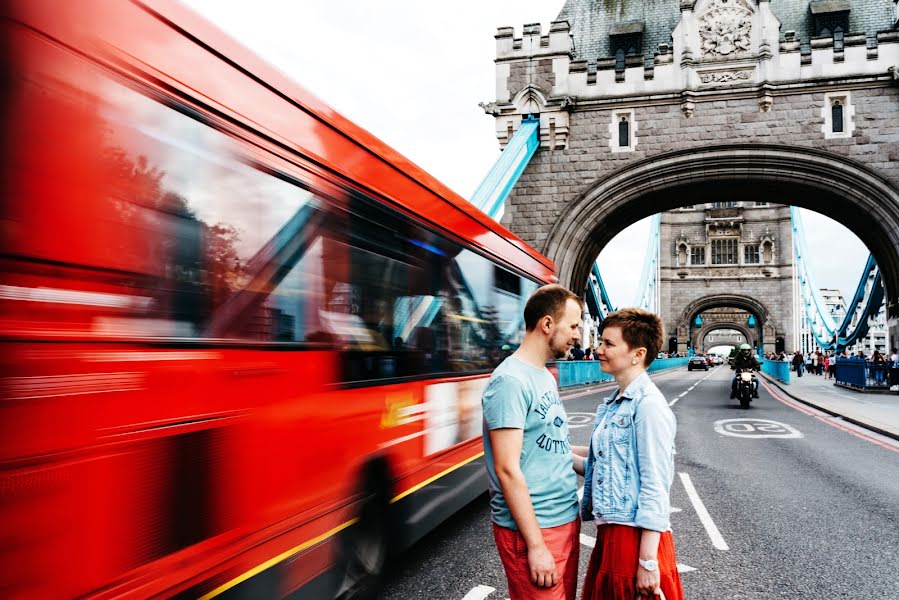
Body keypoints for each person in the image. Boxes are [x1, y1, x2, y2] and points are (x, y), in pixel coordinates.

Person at [572, 308, 684, 600]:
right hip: (613, 533)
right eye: (601, 342)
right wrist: (549, 449)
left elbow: (655, 483)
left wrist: (647, 562)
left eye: (608, 344)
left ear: (637, 353)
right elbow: (605, 463)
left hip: (633, 539)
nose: (598, 350)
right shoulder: (616, 402)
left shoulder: (648, 406)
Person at [482, 284, 583, 599]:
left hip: (565, 517)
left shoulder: (543, 375)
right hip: (534, 531)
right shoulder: (510, 382)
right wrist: (536, 546)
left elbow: (552, 447)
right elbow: (507, 469)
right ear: (548, 324)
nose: (578, 335)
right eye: (574, 325)